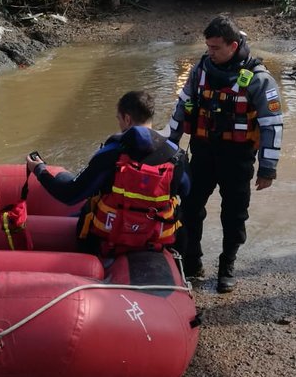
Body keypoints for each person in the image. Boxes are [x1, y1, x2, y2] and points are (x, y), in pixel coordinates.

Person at [169, 16, 283, 292]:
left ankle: (226, 265)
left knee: (233, 216)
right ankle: (192, 260)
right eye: (208, 46)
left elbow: (272, 125)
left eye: (216, 47)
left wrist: (268, 168)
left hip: (238, 158)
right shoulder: (200, 71)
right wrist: (169, 149)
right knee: (188, 209)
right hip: (203, 154)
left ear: (233, 46)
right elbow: (180, 109)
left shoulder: (259, 79)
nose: (210, 52)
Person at [26, 90, 189, 255]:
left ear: (127, 119)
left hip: (108, 240)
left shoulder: (111, 153)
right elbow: (186, 190)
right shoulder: (176, 156)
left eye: (118, 119)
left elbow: (70, 196)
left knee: (79, 195)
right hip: (155, 240)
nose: (119, 123)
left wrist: (39, 170)